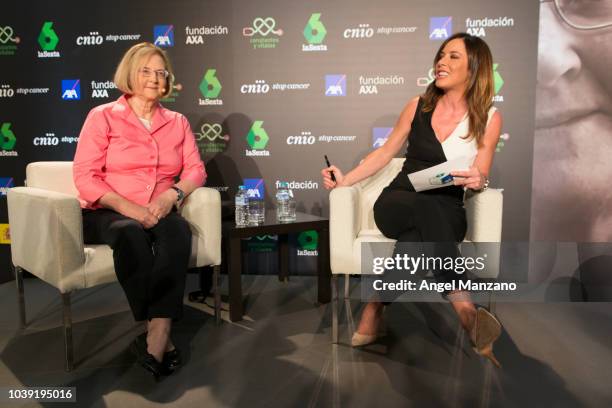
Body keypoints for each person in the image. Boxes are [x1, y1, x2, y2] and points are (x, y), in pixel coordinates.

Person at [322, 33, 503, 367]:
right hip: (399, 202)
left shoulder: (489, 117)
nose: (441, 62)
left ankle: (375, 306)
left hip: (448, 209)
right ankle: (464, 307)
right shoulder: (418, 105)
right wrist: (344, 181)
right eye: (441, 55)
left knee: (416, 239)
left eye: (453, 57)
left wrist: (480, 178)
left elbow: (481, 170)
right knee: (423, 205)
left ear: (475, 67)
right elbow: (386, 151)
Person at [73, 42, 206, 378]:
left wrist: (172, 195)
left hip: (158, 209)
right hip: (108, 210)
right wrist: (126, 206)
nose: (154, 77)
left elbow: (196, 171)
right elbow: (84, 176)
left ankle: (158, 332)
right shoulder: (103, 116)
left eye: (160, 72)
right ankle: (162, 338)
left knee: (177, 231)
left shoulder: (176, 122)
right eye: (145, 70)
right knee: (130, 234)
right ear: (130, 74)